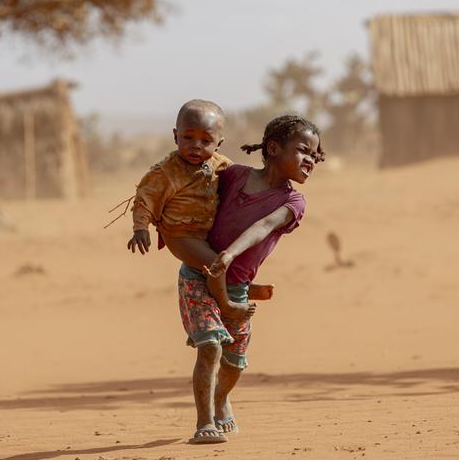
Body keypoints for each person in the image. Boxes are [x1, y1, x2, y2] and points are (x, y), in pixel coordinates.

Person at [177, 114, 325, 444]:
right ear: (273, 148)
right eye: (303, 151)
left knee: (234, 362)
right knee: (210, 346)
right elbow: (190, 175)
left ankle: (221, 398)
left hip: (236, 287)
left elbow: (263, 226)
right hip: (198, 276)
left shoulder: (293, 202)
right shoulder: (232, 176)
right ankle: (205, 422)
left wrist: (228, 255)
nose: (311, 161)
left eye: (315, 156)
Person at [127, 99, 255, 320]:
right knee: (217, 263)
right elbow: (145, 198)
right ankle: (227, 305)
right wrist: (141, 229)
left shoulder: (220, 164)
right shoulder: (167, 172)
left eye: (206, 140)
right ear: (176, 136)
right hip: (180, 234)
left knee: (231, 255)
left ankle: (239, 286)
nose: (196, 145)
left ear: (219, 143)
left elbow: (242, 179)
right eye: (188, 137)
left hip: (206, 232)